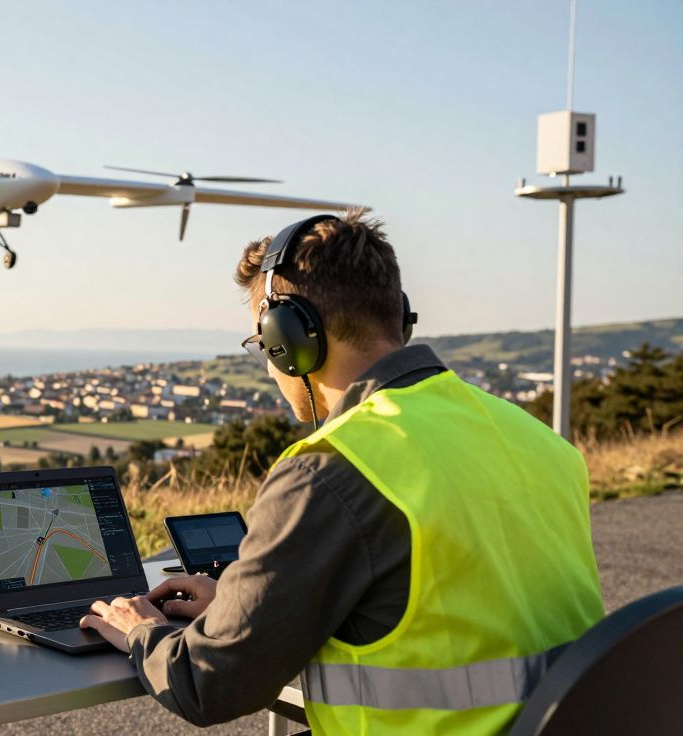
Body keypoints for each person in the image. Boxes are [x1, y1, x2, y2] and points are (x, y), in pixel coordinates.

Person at [79, 210, 604, 734]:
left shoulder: (331, 469)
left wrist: (142, 630)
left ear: (288, 338)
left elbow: (207, 685)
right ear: (398, 316)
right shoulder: (540, 441)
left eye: (263, 345)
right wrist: (242, 612)